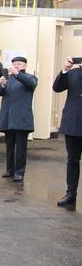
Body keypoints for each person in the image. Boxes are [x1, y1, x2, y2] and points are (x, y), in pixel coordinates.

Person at [0, 57, 38, 182]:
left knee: (20, 147)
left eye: (19, 64)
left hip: (22, 118)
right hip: (8, 117)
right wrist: (2, 84)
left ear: (25, 65)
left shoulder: (30, 77)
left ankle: (19, 171)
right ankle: (10, 169)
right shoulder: (9, 79)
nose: (16, 66)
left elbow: (31, 85)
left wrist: (17, 73)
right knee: (9, 146)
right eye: (14, 64)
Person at [52, 56, 82, 207]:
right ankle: (71, 193)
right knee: (72, 160)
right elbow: (57, 88)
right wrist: (65, 70)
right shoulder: (72, 74)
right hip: (73, 123)